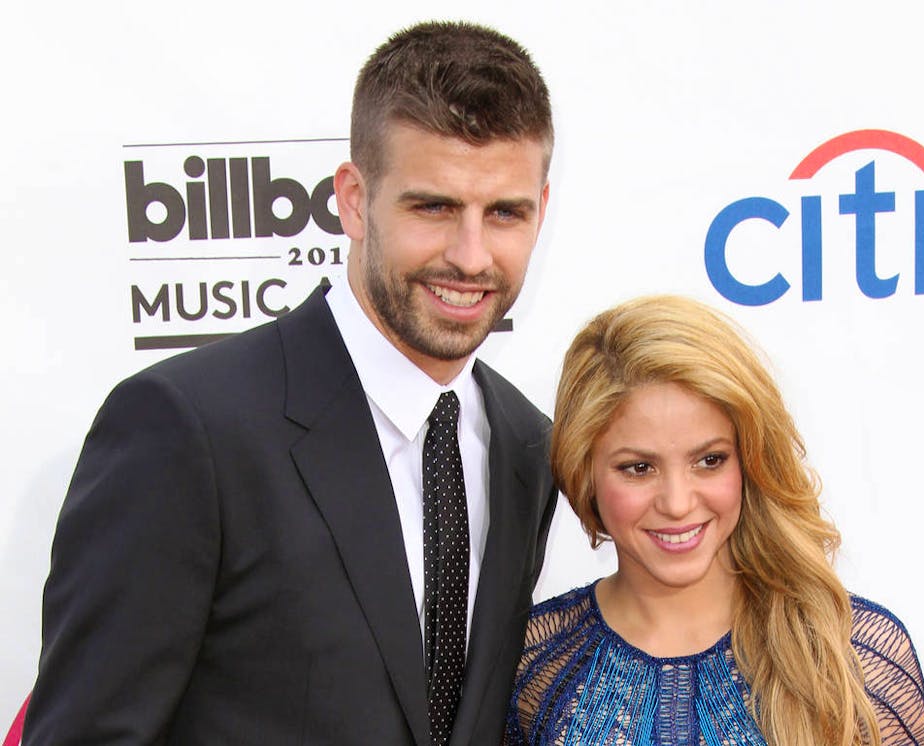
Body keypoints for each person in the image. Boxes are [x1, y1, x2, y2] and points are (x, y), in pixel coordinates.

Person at [25, 21, 558, 746]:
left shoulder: (527, 448)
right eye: (432, 206)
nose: (470, 256)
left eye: (504, 213)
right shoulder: (188, 428)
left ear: (542, 212)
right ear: (352, 199)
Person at [506, 296, 924, 746]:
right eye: (638, 467)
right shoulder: (534, 666)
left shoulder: (855, 657)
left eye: (709, 460)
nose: (677, 502)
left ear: (749, 460)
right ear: (583, 469)